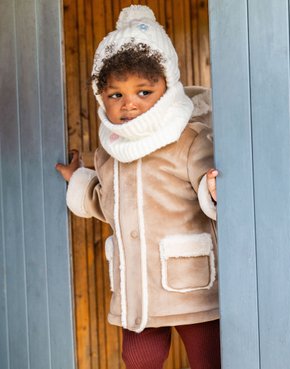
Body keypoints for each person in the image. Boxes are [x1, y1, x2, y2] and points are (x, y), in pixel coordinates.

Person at [56, 5, 219, 369]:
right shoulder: (110, 151)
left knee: (209, 357)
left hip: (191, 285)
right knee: (138, 358)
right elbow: (106, 202)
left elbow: (208, 181)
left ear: (167, 87)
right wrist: (79, 180)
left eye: (144, 92)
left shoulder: (188, 140)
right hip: (138, 288)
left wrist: (213, 190)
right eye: (116, 96)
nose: (130, 104)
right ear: (101, 98)